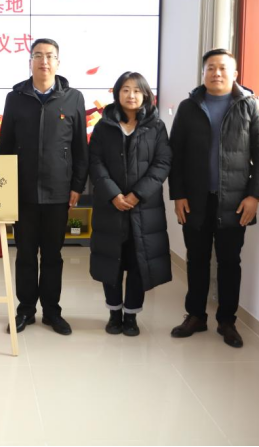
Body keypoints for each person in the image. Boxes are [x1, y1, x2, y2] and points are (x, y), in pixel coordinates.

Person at [168, 48, 259, 348]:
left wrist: (255, 196)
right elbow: (175, 155)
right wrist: (178, 195)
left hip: (235, 201)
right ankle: (195, 316)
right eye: (211, 68)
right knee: (196, 259)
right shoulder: (189, 107)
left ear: (235, 73)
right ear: (203, 73)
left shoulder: (250, 106)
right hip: (195, 199)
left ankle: (227, 321)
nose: (216, 73)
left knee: (229, 262)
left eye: (223, 68)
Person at [0, 38, 89, 336]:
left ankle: (52, 311)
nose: (44, 61)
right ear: (30, 62)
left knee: (52, 255)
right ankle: (25, 309)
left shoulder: (73, 98)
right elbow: (5, 146)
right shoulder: (15, 98)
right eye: (38, 55)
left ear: (58, 62)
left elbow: (80, 148)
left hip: (58, 192)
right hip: (22, 191)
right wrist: (5, 188)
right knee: (25, 254)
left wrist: (77, 186)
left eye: (50, 56)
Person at [89, 72, 172, 336]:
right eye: (125, 90)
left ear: (146, 95)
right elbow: (95, 162)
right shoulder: (104, 126)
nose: (131, 95)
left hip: (144, 208)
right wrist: (113, 194)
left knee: (138, 262)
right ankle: (114, 313)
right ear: (117, 94)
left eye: (137, 90)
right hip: (110, 206)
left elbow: (162, 163)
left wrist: (137, 194)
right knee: (111, 260)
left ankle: (132, 316)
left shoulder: (156, 126)